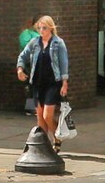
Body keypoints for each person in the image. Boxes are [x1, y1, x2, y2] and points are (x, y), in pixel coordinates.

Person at [16, 14, 72, 149]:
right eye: (39, 28)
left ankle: (57, 136)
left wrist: (65, 82)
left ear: (51, 29)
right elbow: (22, 56)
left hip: (53, 83)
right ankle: (43, 146)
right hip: (37, 83)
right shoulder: (34, 43)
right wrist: (20, 69)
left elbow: (64, 64)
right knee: (40, 117)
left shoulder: (58, 43)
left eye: (44, 28)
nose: (41, 31)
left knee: (48, 115)